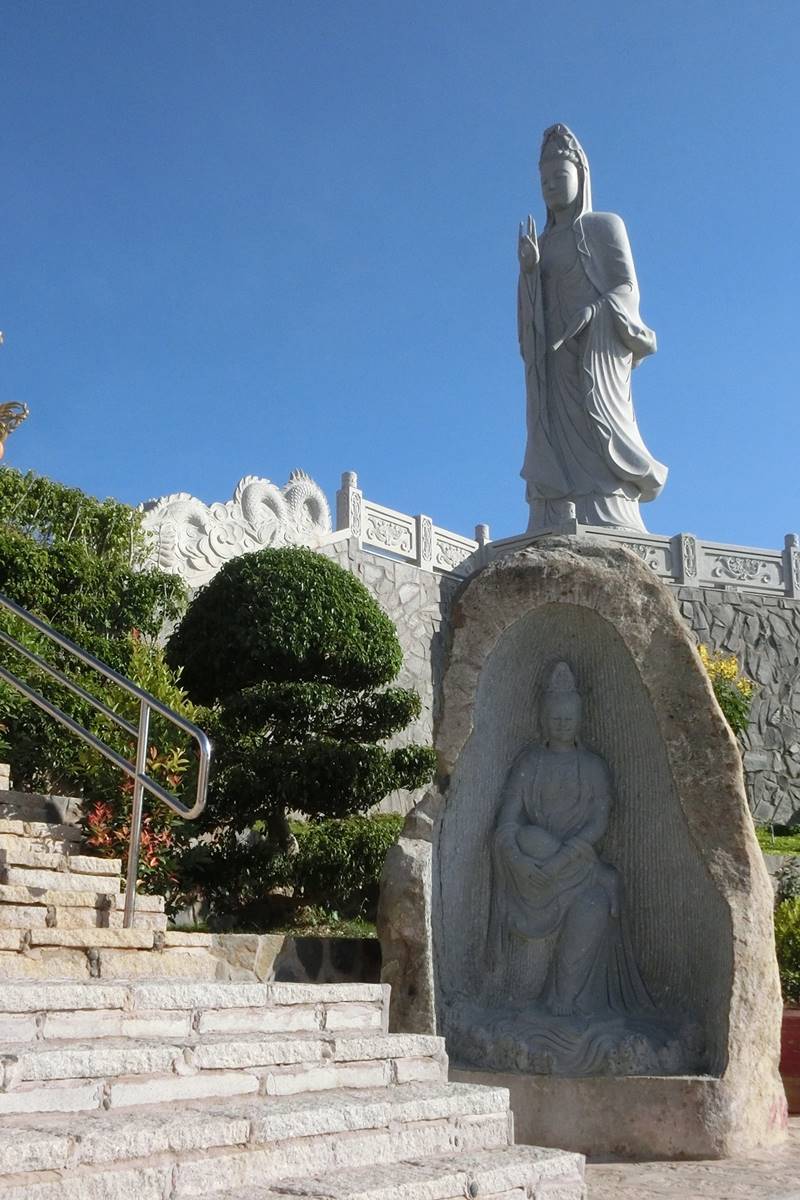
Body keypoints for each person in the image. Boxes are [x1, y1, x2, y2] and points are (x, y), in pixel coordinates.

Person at [518, 124, 667, 533]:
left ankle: (609, 510)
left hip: (597, 350)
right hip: (554, 357)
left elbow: (627, 287)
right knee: (553, 425)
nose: (550, 186)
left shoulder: (605, 226)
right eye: (544, 180)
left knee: (599, 423)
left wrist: (596, 311)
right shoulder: (543, 243)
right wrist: (529, 272)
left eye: (559, 176)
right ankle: (553, 508)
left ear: (581, 177)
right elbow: (531, 315)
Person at [492, 661, 650, 1018]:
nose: (562, 724)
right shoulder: (530, 763)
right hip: (533, 876)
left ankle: (566, 1000)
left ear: (580, 719)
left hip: (576, 868)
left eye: (569, 718)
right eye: (556, 718)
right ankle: (596, 876)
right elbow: (507, 824)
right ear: (543, 719)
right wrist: (520, 861)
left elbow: (598, 823)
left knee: (594, 907)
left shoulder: (592, 766)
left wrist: (560, 861)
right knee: (530, 836)